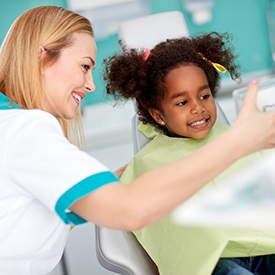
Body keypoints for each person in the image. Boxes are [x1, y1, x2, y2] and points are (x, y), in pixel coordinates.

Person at [1, 6, 275, 275]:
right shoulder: (26, 130)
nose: (90, 85)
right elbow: (129, 211)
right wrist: (240, 141)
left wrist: (105, 184)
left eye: (205, 96)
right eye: (84, 66)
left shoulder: (11, 125)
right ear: (42, 57)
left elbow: (33, 217)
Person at [103, 32, 275, 275]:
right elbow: (159, 230)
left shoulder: (234, 137)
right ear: (158, 115)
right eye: (182, 103)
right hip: (211, 262)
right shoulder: (149, 162)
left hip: (263, 246)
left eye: (204, 96)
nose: (198, 108)